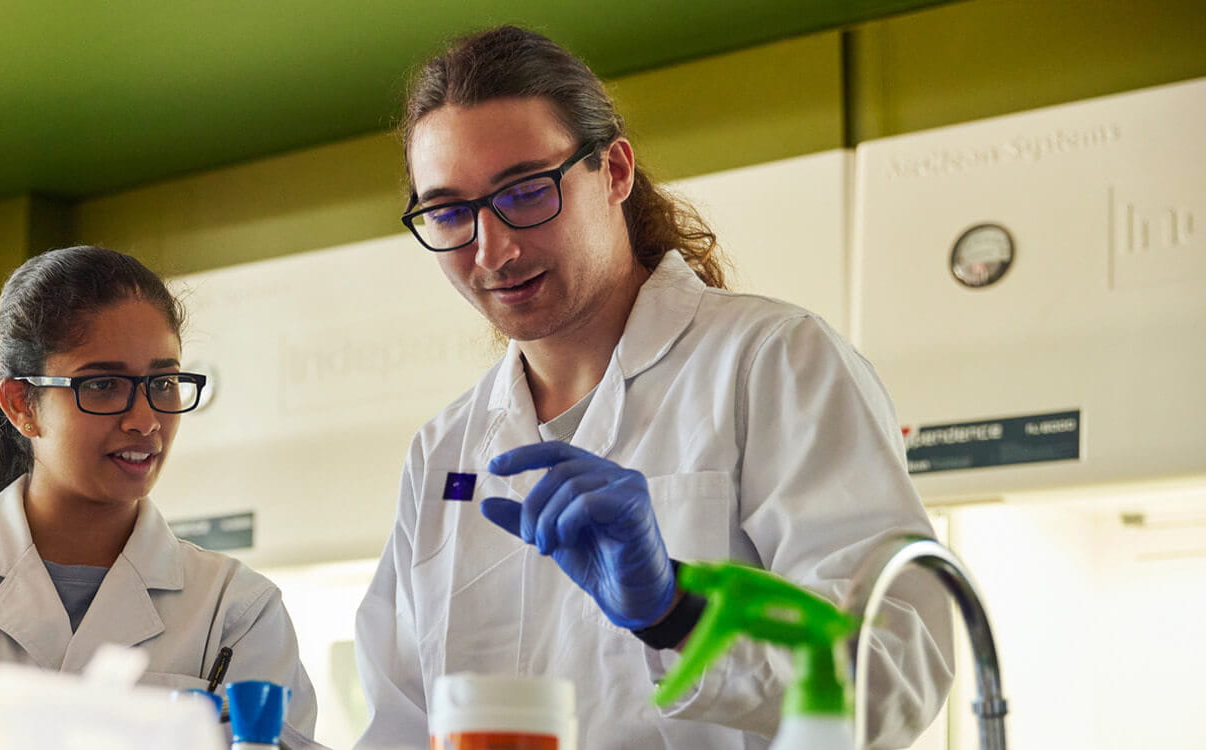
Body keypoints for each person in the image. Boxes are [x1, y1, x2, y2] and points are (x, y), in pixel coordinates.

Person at [353, 26, 953, 749]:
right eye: (449, 211)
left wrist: (676, 611)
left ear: (613, 172)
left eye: (525, 191)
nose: (493, 248)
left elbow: (897, 670)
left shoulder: (771, 361)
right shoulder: (444, 450)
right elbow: (400, 724)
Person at [0, 245, 324, 749]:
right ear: (19, 405)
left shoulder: (236, 608)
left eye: (163, 382)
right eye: (102, 385)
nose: (145, 420)